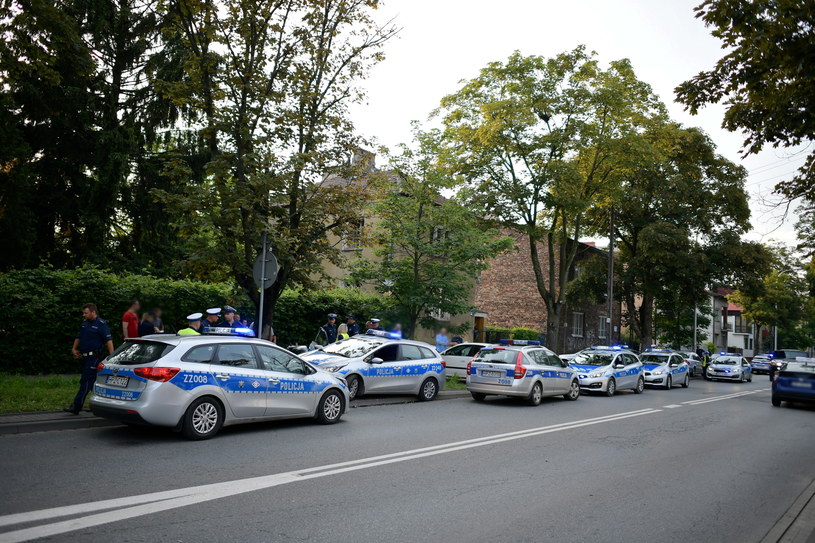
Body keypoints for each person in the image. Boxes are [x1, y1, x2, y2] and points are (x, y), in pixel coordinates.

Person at [64, 303, 114, 414]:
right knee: (92, 383)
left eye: (86, 313)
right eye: (83, 313)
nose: (84, 315)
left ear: (93, 312)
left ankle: (76, 406)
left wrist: (112, 357)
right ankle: (102, 405)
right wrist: (74, 349)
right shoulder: (84, 324)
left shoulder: (101, 324)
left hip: (94, 357)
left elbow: (108, 341)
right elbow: (79, 337)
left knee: (85, 381)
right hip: (85, 357)